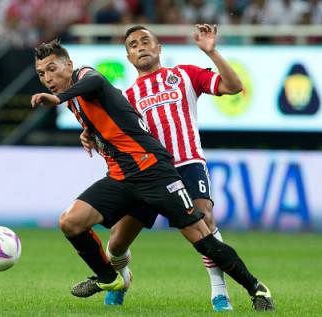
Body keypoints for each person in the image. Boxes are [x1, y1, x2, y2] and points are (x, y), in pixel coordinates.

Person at [31, 39, 275, 311]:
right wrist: (89, 133)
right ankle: (109, 278)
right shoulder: (79, 102)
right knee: (71, 222)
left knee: (202, 239)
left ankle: (256, 288)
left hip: (154, 172)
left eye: (52, 69)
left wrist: (59, 98)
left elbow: (96, 83)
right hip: (122, 177)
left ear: (69, 65)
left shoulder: (85, 76)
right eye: (42, 74)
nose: (48, 77)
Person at [80, 24, 244, 310]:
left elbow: (233, 87)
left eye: (146, 41)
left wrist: (212, 52)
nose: (140, 46)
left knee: (204, 219)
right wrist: (89, 135)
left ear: (159, 48)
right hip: (146, 174)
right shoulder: (124, 98)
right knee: (117, 244)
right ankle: (122, 275)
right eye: (133, 45)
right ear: (129, 58)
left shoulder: (184, 75)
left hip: (187, 162)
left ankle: (220, 293)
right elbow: (105, 132)